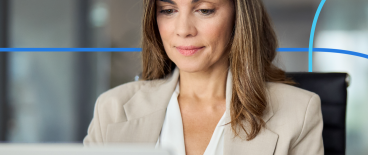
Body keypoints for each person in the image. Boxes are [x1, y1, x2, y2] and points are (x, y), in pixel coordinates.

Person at [83, 0, 324, 154]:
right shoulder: (112, 108)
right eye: (168, 10)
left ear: (238, 16)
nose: (184, 29)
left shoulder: (298, 112)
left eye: (204, 10)